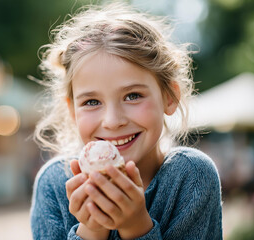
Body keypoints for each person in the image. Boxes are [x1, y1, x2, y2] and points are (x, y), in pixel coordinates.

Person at [30, 2, 222, 239]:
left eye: (133, 96)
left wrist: (135, 226)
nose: (112, 121)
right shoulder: (54, 184)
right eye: (91, 102)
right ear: (72, 111)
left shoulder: (190, 177)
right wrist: (91, 229)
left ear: (169, 97)